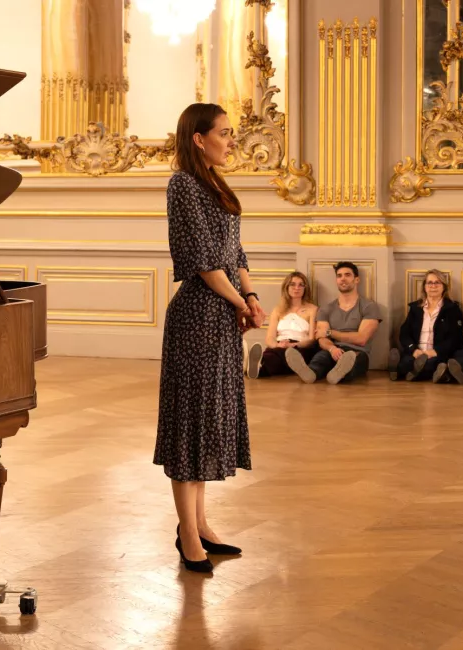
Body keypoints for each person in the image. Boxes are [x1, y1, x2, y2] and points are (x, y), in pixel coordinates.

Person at [154, 103, 265, 573]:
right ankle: (187, 534)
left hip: (221, 317)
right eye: (224, 132)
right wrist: (241, 304)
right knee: (190, 425)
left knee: (208, 421)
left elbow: (235, 252)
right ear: (199, 139)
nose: (231, 140)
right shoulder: (182, 184)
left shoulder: (216, 183)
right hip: (197, 317)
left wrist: (251, 296)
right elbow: (203, 261)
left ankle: (199, 525)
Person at [285, 261, 382, 384]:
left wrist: (329, 333)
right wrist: (332, 349)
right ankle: (310, 373)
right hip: (331, 349)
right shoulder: (326, 309)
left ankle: (340, 374)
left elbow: (361, 339)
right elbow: (321, 337)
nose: (343, 279)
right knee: (320, 359)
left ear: (356, 280)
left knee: (354, 360)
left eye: (347, 275)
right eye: (339, 276)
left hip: (357, 352)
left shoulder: (369, 306)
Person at [388, 270, 463, 381]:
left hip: (437, 353)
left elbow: (456, 338)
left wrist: (435, 351)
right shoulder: (416, 308)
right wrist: (414, 350)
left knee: (432, 364)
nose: (433, 286)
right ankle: (405, 370)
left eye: (437, 282)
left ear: (444, 287)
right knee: (408, 361)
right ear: (424, 286)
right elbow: (404, 333)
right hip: (416, 352)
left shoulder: (452, 309)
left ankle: (402, 371)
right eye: (429, 283)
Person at [246, 271, 319, 379]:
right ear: (286, 287)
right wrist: (277, 345)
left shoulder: (312, 309)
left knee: (286, 358)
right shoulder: (277, 310)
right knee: (272, 356)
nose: (297, 288)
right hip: (280, 345)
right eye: (292, 284)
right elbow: (270, 338)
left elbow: (312, 339)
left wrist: (295, 345)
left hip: (301, 347)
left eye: (301, 285)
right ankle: (254, 366)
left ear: (305, 288)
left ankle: (254, 367)